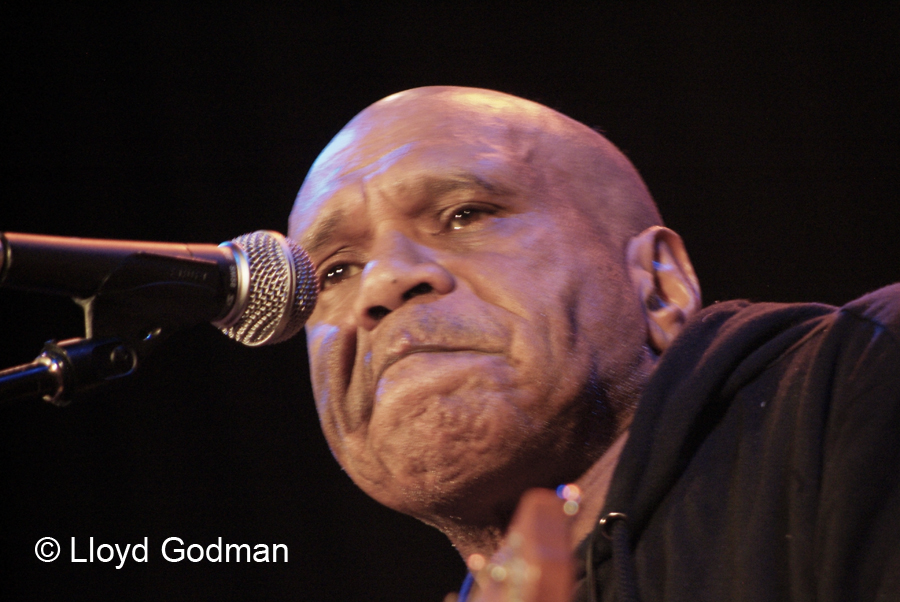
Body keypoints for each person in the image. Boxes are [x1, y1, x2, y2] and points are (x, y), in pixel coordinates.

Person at [287, 86, 900, 601]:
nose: (385, 282)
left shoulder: (865, 377)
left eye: (466, 214)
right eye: (336, 271)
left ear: (659, 286)